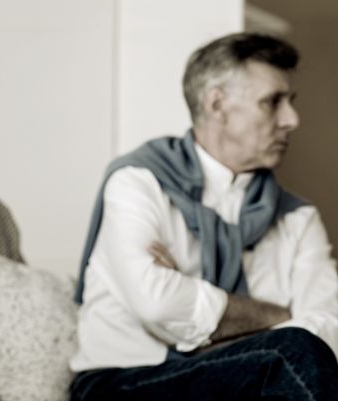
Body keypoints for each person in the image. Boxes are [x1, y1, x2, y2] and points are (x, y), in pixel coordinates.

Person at [70, 32, 338, 400]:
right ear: (216, 104)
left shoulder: (298, 217)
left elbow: (330, 326)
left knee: (293, 355)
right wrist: (277, 316)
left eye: (290, 101)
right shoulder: (138, 181)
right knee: (288, 351)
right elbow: (155, 301)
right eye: (272, 102)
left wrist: (194, 300)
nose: (291, 119)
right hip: (122, 381)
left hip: (242, 376)